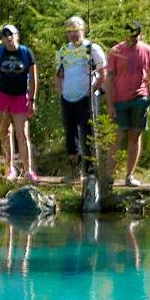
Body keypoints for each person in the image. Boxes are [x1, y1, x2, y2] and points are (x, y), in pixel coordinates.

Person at [0, 24, 39, 182]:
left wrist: (32, 100)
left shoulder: (26, 53)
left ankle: (28, 170)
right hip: (2, 95)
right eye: (5, 35)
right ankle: (10, 169)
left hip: (20, 96)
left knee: (22, 133)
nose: (8, 38)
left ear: (17, 35)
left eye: (11, 35)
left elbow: (34, 79)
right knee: (4, 132)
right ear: (2, 39)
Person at [106, 20, 150, 187]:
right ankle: (107, 177)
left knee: (135, 136)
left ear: (140, 35)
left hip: (140, 99)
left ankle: (129, 175)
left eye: (134, 37)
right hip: (119, 99)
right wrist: (110, 104)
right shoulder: (115, 51)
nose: (131, 40)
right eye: (128, 36)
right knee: (117, 137)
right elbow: (110, 78)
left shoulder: (148, 51)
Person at [55, 16, 107, 183]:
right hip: (67, 98)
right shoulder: (63, 50)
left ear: (82, 30)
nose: (73, 35)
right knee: (71, 136)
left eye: (76, 31)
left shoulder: (92, 48)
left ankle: (92, 172)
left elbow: (103, 73)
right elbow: (59, 74)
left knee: (88, 134)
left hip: (86, 98)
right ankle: (75, 171)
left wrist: (91, 91)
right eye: (69, 32)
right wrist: (60, 91)